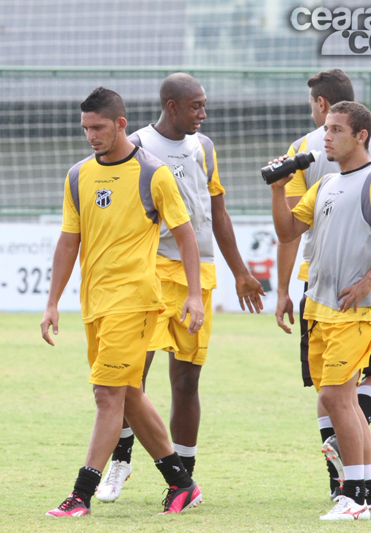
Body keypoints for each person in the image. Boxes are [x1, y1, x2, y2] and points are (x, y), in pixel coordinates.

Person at [95, 74, 265, 503]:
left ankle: (183, 478)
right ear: (171, 106)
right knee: (132, 375)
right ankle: (121, 461)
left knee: (187, 379)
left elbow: (218, 212)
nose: (203, 114)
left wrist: (240, 271)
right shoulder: (134, 145)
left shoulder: (204, 147)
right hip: (149, 271)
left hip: (197, 273)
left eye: (204, 106)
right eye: (196, 107)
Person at [41, 87, 205, 518]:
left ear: (120, 124)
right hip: (94, 304)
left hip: (133, 301)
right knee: (128, 394)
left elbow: (185, 234)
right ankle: (181, 483)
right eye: (85, 129)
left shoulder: (153, 173)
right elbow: (68, 240)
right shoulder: (78, 175)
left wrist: (193, 295)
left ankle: (81, 494)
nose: (91, 136)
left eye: (98, 128)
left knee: (107, 394)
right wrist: (52, 301)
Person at [274, 69, 371, 499]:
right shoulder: (327, 177)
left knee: (345, 394)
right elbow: (289, 231)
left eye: (333, 130)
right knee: (343, 390)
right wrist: (276, 189)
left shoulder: (370, 168)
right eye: (326, 129)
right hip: (323, 294)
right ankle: (348, 483)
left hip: (355, 293)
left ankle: (355, 483)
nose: (325, 136)